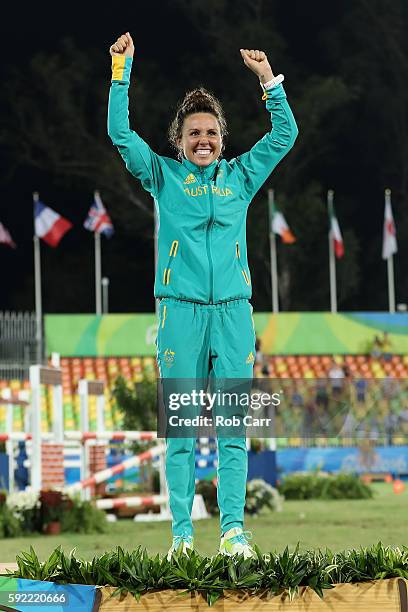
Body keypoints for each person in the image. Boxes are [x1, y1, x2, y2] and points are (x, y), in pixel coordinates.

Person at [108, 32, 298, 559]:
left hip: (235, 313)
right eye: (194, 133)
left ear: (221, 137)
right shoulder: (162, 177)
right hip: (181, 314)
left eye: (211, 132)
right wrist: (121, 71)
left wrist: (267, 80)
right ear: (180, 139)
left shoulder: (240, 177)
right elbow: (120, 134)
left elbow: (285, 134)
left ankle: (234, 530)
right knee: (182, 431)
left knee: (234, 428)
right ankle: (182, 536)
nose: (204, 140)